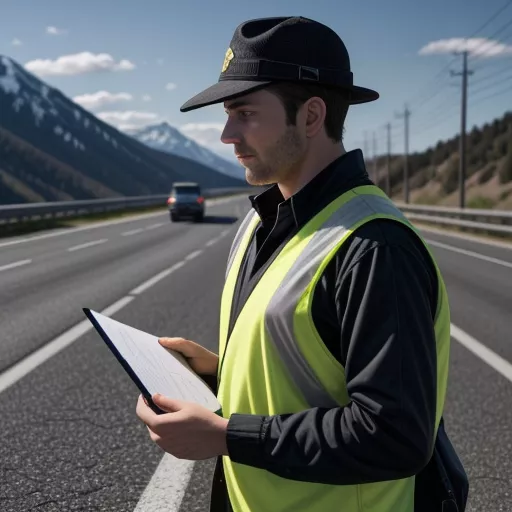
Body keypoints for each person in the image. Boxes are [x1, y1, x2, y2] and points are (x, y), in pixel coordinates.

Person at [136, 16, 468, 512]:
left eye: (244, 113)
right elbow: (303, 371)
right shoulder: (260, 222)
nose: (227, 134)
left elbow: (395, 435)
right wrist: (215, 373)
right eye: (228, 114)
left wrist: (227, 436)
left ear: (311, 117)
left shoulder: (374, 247)